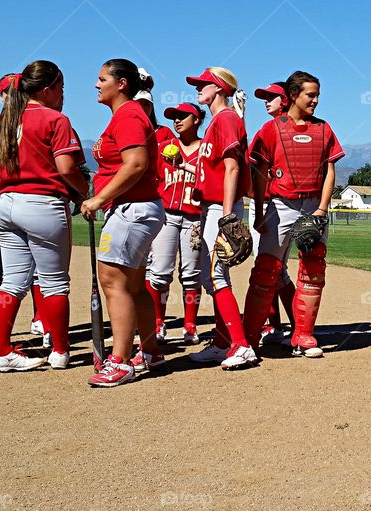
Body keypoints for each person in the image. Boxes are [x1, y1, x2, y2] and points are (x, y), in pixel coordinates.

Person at [0, 61, 89, 372]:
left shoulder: (7, 118)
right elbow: (67, 168)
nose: (62, 94)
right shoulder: (55, 119)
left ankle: (1, 351)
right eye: (60, 87)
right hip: (42, 203)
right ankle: (60, 351)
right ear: (47, 89)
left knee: (12, 281)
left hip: (5, 204)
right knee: (55, 283)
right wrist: (87, 193)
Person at [242, 70, 344, 358]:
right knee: (266, 270)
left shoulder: (324, 129)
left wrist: (322, 210)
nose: (315, 101)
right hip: (281, 205)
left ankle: (303, 335)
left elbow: (330, 172)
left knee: (313, 269)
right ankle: (249, 338)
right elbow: (258, 172)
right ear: (293, 96)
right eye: (310, 95)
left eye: (317, 96)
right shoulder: (271, 128)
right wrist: (260, 211)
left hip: (313, 206)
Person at [81, 58, 166, 387]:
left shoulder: (129, 114)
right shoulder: (125, 115)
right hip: (135, 208)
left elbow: (136, 164)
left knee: (113, 282)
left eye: (102, 78)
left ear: (122, 84)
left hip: (132, 209)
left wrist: (100, 198)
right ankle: (150, 351)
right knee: (131, 285)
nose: (96, 84)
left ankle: (120, 360)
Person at [183, 67, 258, 370]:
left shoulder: (226, 119)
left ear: (219, 88)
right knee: (208, 279)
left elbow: (232, 168)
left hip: (220, 209)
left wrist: (227, 215)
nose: (198, 88)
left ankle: (241, 344)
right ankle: (222, 341)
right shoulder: (218, 120)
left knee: (217, 276)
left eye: (204, 84)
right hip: (211, 207)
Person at [0, 74, 50, 349]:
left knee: (36, 269)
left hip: (28, 201)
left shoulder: (35, 120)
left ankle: (40, 317)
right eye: (9, 91)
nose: (14, 94)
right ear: (1, 96)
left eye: (18, 89)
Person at [144, 102, 205, 345]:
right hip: (166, 215)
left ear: (198, 119)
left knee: (191, 274)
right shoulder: (163, 148)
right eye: (174, 117)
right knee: (159, 272)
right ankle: (158, 322)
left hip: (194, 218)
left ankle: (190, 325)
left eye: (183, 116)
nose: (177, 120)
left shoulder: (206, 150)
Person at [249, 82, 296, 344]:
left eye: (272, 97)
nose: (266, 101)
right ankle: (276, 326)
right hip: (269, 205)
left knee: (274, 270)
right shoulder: (268, 129)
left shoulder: (285, 129)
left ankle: (294, 326)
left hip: (277, 206)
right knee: (272, 270)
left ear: (286, 100)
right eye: (264, 97)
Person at [133, 67, 175, 144]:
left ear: (151, 107)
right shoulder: (120, 130)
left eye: (146, 104)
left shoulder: (164, 132)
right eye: (138, 104)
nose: (142, 108)